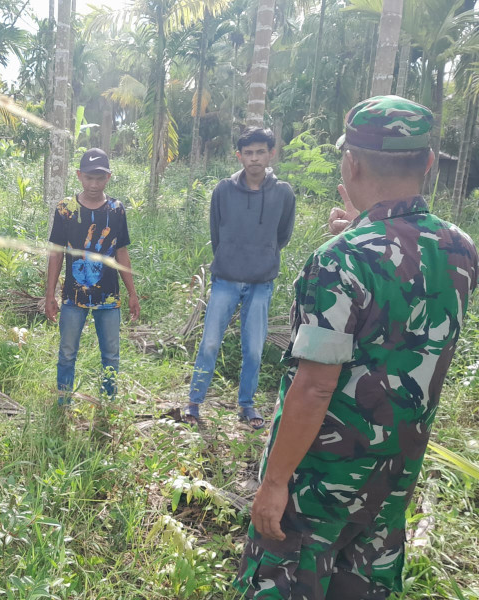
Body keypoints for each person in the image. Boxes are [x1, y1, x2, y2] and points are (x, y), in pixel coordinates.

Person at [235, 95, 478, 599]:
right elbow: (405, 279)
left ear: (352, 162)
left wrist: (275, 482)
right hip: (392, 479)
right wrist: (364, 229)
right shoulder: (460, 247)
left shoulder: (338, 261)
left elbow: (314, 388)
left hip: (320, 481)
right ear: (429, 164)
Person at [184, 127, 296, 429]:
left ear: (271, 154)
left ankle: (246, 405)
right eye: (248, 153)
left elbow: (282, 234)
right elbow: (215, 232)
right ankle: (194, 403)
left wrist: (264, 255)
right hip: (226, 279)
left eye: (261, 151)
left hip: (261, 282)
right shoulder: (223, 190)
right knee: (209, 343)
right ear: (239, 156)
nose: (254, 158)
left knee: (254, 347)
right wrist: (231, 258)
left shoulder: (283, 193)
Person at [45, 148, 140, 404]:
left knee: (110, 355)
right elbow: (56, 253)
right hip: (72, 296)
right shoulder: (66, 209)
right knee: (67, 353)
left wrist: (132, 293)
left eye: (99, 178)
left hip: (108, 297)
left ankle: (107, 405)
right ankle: (63, 403)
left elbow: (121, 252)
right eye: (89, 177)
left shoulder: (117, 210)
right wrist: (50, 294)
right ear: (79, 175)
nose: (94, 184)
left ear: (108, 177)